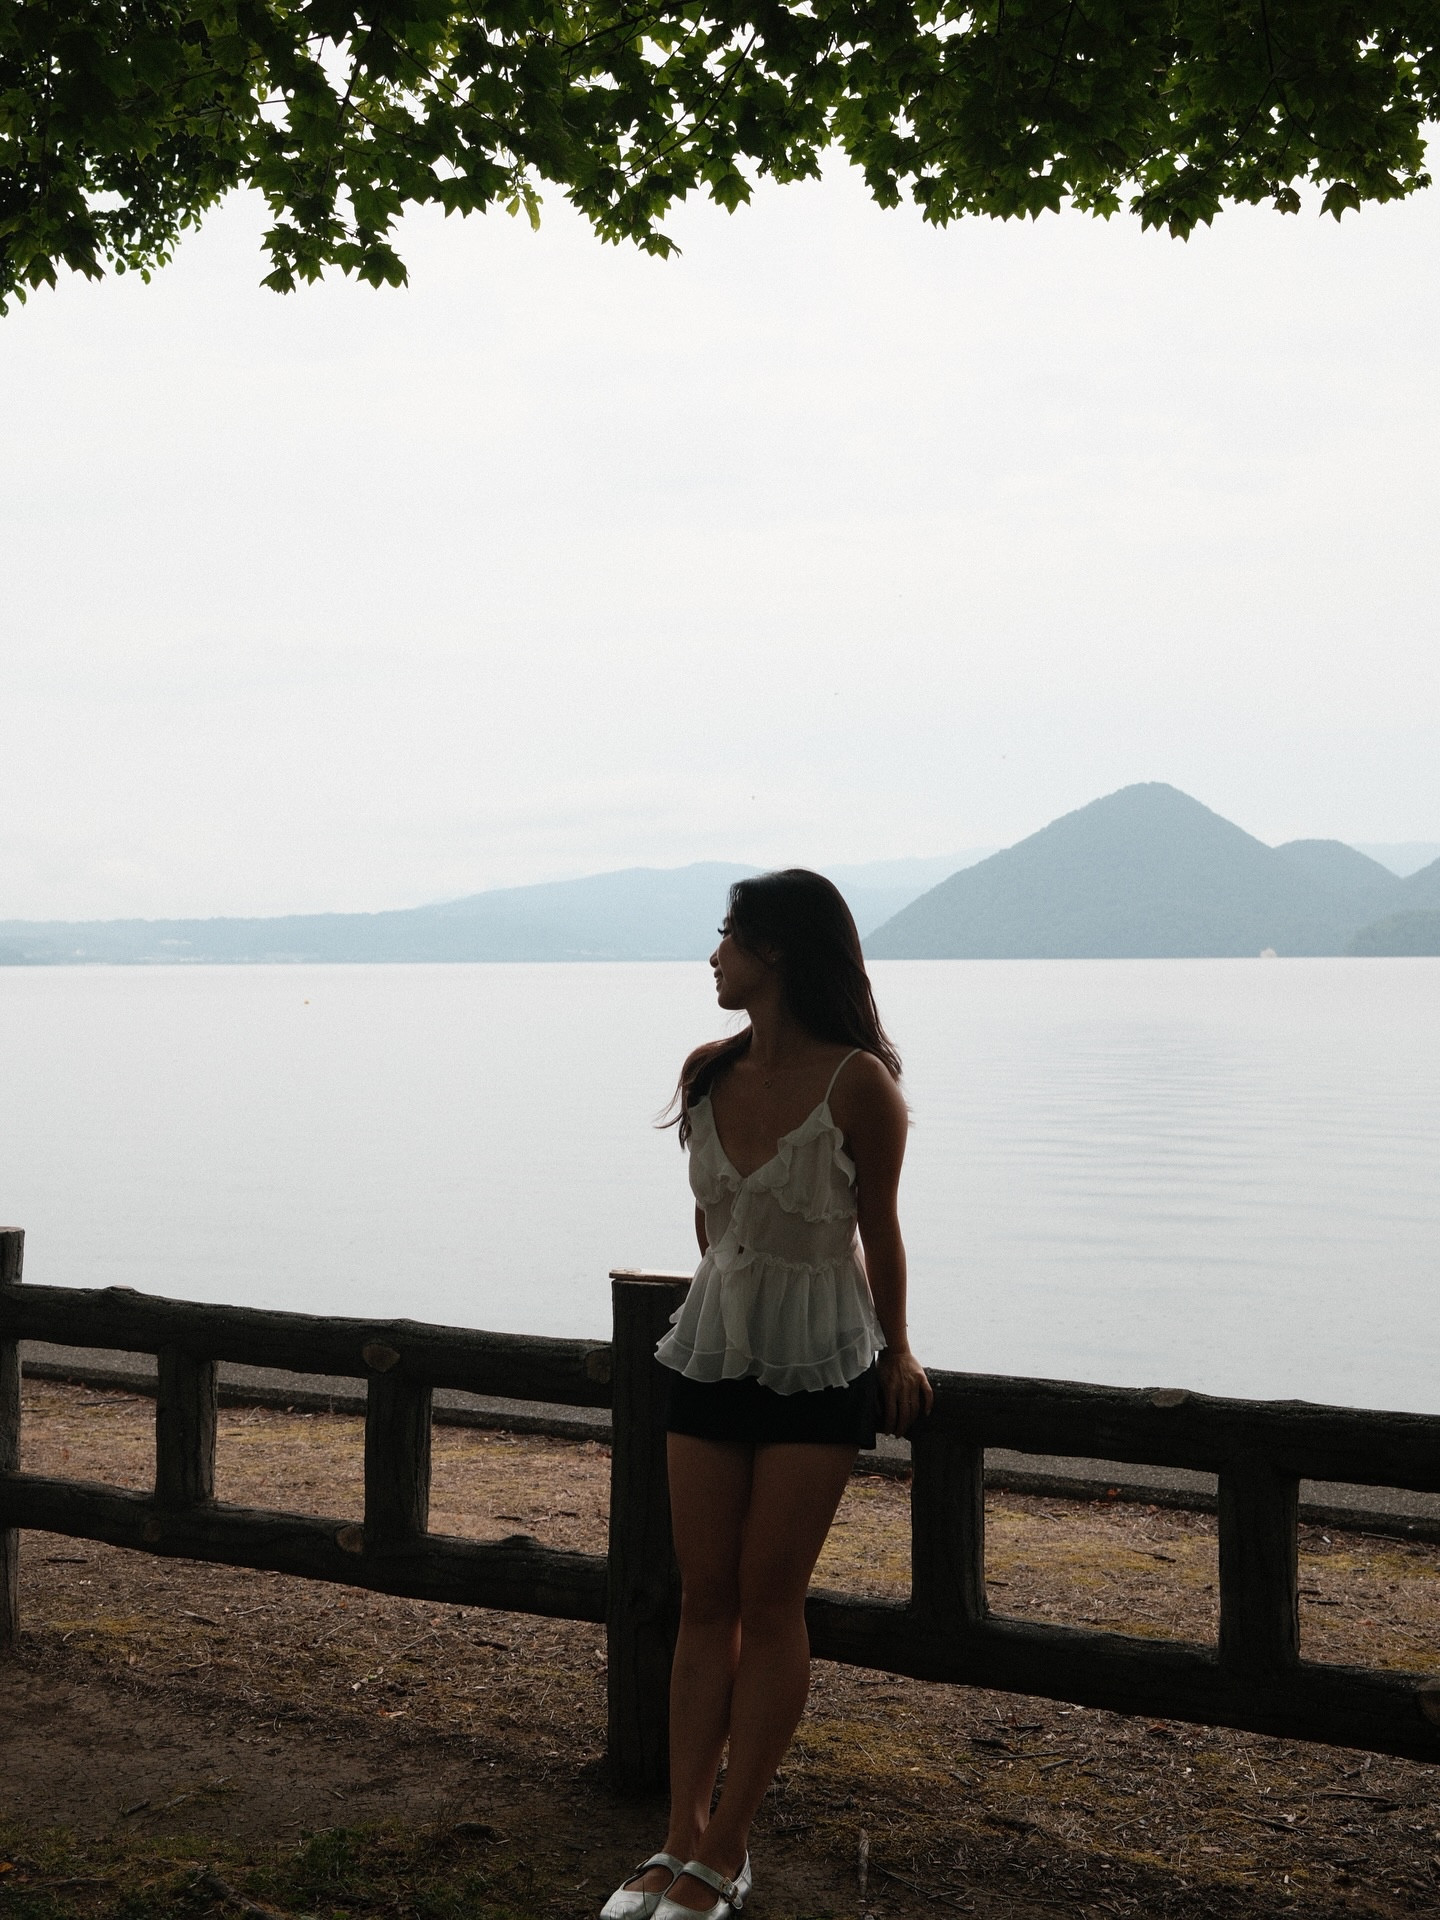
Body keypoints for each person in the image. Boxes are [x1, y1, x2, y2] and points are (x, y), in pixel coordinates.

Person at [602, 869, 933, 1920]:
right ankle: (675, 1840)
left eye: (728, 937)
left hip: (821, 1361)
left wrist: (900, 1349)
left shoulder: (859, 1086)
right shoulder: (706, 1073)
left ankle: (729, 1846)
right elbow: (715, 1230)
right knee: (703, 1600)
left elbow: (878, 1229)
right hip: (711, 1354)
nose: (713, 956)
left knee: (768, 1599)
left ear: (777, 952)